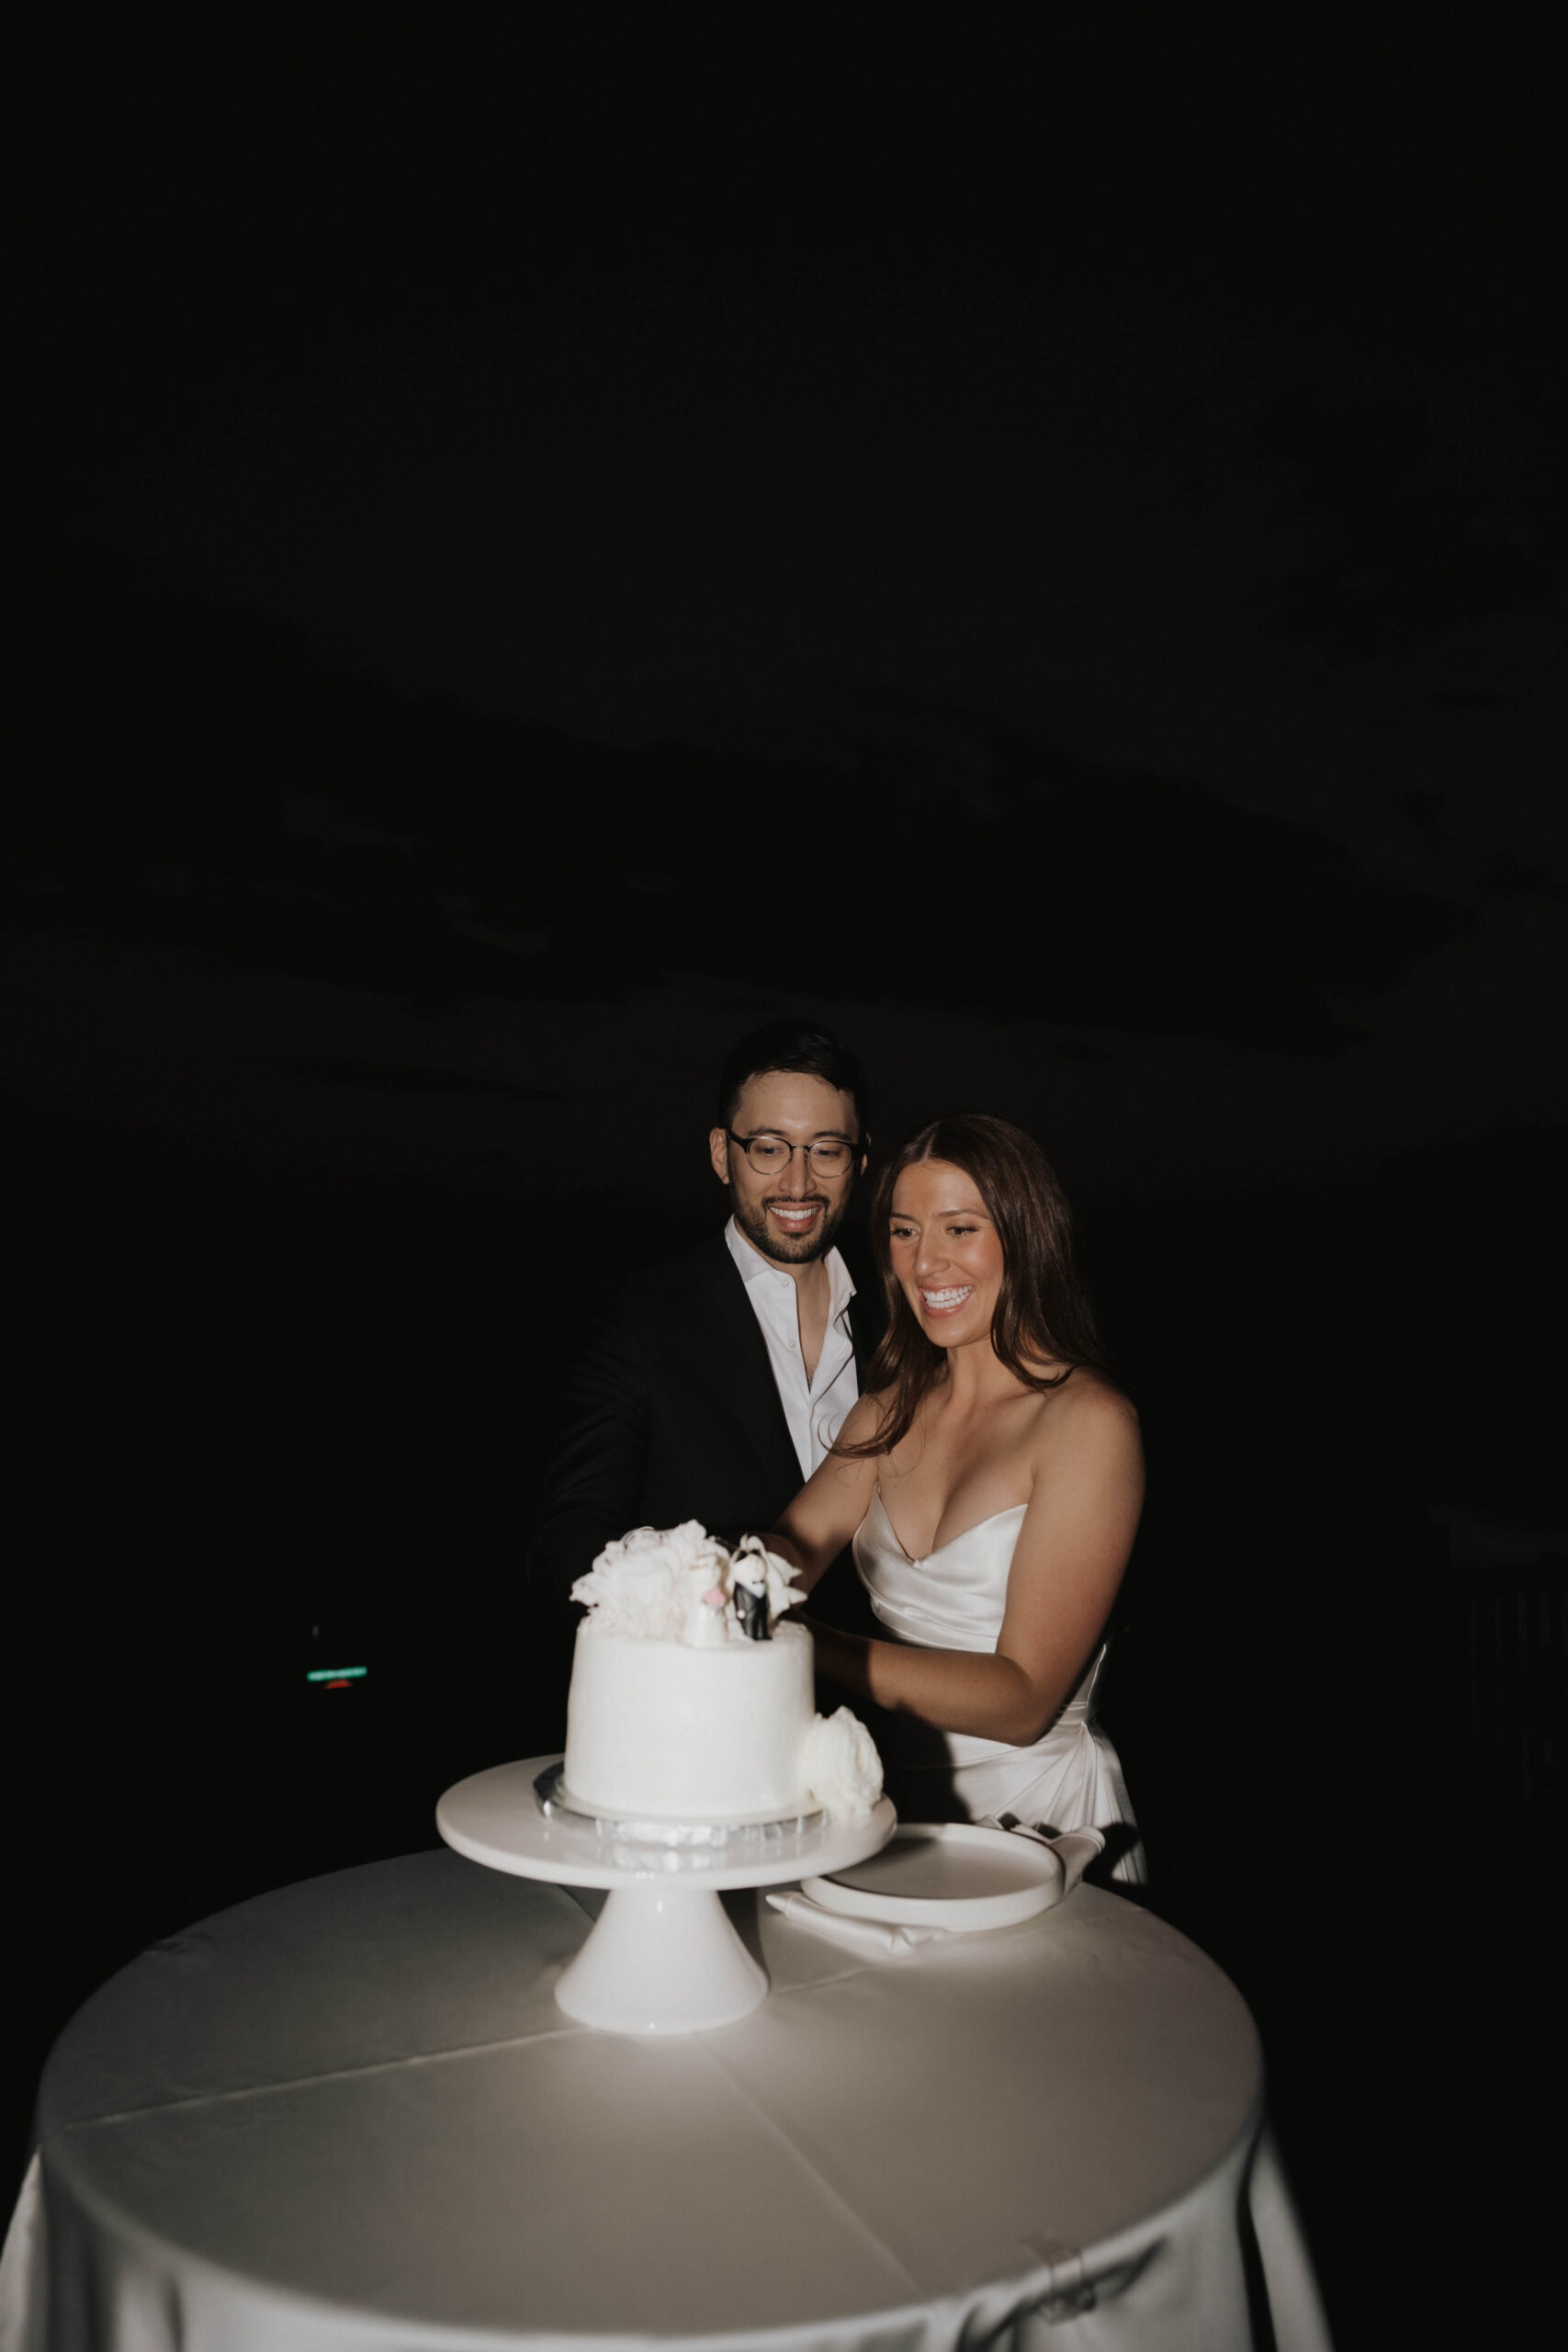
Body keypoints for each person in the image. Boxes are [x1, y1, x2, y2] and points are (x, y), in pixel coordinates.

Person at [769, 1113, 1146, 1878]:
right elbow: (789, 1552)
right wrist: (693, 1582)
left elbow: (1020, 1699)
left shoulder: (1087, 1423)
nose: (926, 1264)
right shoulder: (885, 1409)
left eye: (959, 1228)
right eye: (904, 1232)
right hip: (887, 1823)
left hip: (1036, 1827)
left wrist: (802, 1641)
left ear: (1022, 1236)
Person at [525, 1019, 883, 1740]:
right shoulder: (637, 1320)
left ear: (861, 1160)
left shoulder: (903, 1322)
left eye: (826, 1150)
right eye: (768, 1148)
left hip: (892, 1746)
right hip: (700, 1737)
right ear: (723, 1154)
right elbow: (569, 1543)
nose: (797, 1181)